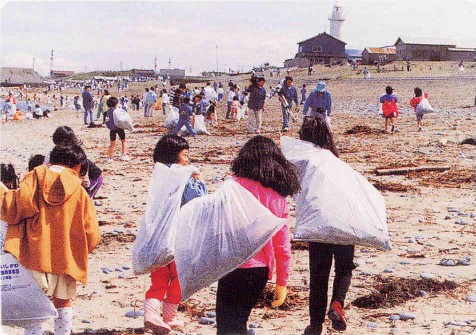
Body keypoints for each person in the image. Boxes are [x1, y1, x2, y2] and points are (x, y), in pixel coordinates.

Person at [1, 144, 101, 335]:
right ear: (78, 166)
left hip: (33, 254)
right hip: (66, 257)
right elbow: (91, 232)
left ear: (51, 160)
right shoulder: (79, 192)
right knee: (64, 303)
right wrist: (82, 249)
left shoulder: (34, 178)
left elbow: (14, 209)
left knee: (34, 306)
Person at [216, 135, 301, 335]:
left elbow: (217, 226)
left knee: (227, 326)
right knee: (239, 322)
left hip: (232, 265)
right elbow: (282, 246)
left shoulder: (233, 186)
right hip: (259, 271)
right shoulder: (278, 197)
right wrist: (282, 282)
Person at [143, 134, 208, 334]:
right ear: (176, 156)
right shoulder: (183, 176)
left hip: (159, 233)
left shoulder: (159, 174)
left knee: (160, 276)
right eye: (185, 154)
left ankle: (152, 314)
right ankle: (168, 316)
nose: (187, 159)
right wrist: (198, 179)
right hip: (181, 233)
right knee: (180, 275)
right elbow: (198, 198)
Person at [298, 116, 355, 335]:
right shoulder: (338, 162)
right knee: (344, 268)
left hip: (319, 224)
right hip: (344, 221)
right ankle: (337, 304)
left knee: (318, 276)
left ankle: (315, 325)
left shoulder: (305, 163)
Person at [105, 97, 130, 162]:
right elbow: (125, 115)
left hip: (112, 129)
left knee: (112, 143)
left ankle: (110, 157)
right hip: (120, 128)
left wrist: (110, 127)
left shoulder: (108, 111)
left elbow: (107, 121)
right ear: (116, 103)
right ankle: (124, 155)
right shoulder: (119, 109)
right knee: (123, 141)